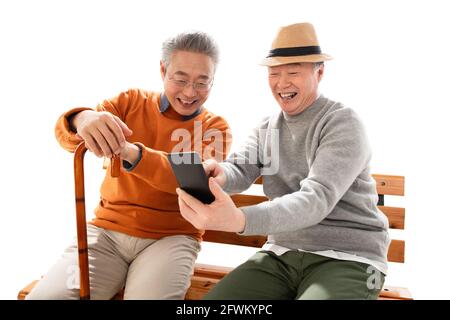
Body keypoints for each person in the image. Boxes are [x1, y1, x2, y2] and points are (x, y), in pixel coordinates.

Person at [176, 23, 390, 300]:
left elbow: (317, 198)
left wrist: (240, 219)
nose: (282, 83)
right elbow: (240, 167)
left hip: (352, 259)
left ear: (319, 72)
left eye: (293, 72)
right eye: (274, 73)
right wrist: (219, 174)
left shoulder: (342, 122)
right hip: (282, 255)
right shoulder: (269, 127)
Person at [27, 31, 231, 300]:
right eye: (180, 79)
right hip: (105, 234)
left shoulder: (215, 128)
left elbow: (188, 179)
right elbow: (70, 139)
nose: (190, 92)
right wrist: (83, 118)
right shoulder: (130, 102)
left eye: (202, 83)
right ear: (163, 70)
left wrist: (130, 152)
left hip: (171, 238)